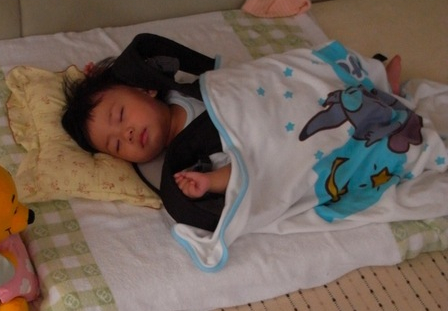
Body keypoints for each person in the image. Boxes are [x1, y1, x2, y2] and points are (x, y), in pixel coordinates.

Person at [61, 33, 417, 233]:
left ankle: (375, 77)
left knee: (314, 71)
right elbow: (248, 168)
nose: (126, 133)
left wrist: (104, 76)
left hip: (274, 92)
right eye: (116, 145)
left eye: (121, 115)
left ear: (145, 89)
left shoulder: (177, 88)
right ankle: (379, 105)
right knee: (329, 134)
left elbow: (152, 61)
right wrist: (211, 182)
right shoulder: (187, 154)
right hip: (282, 134)